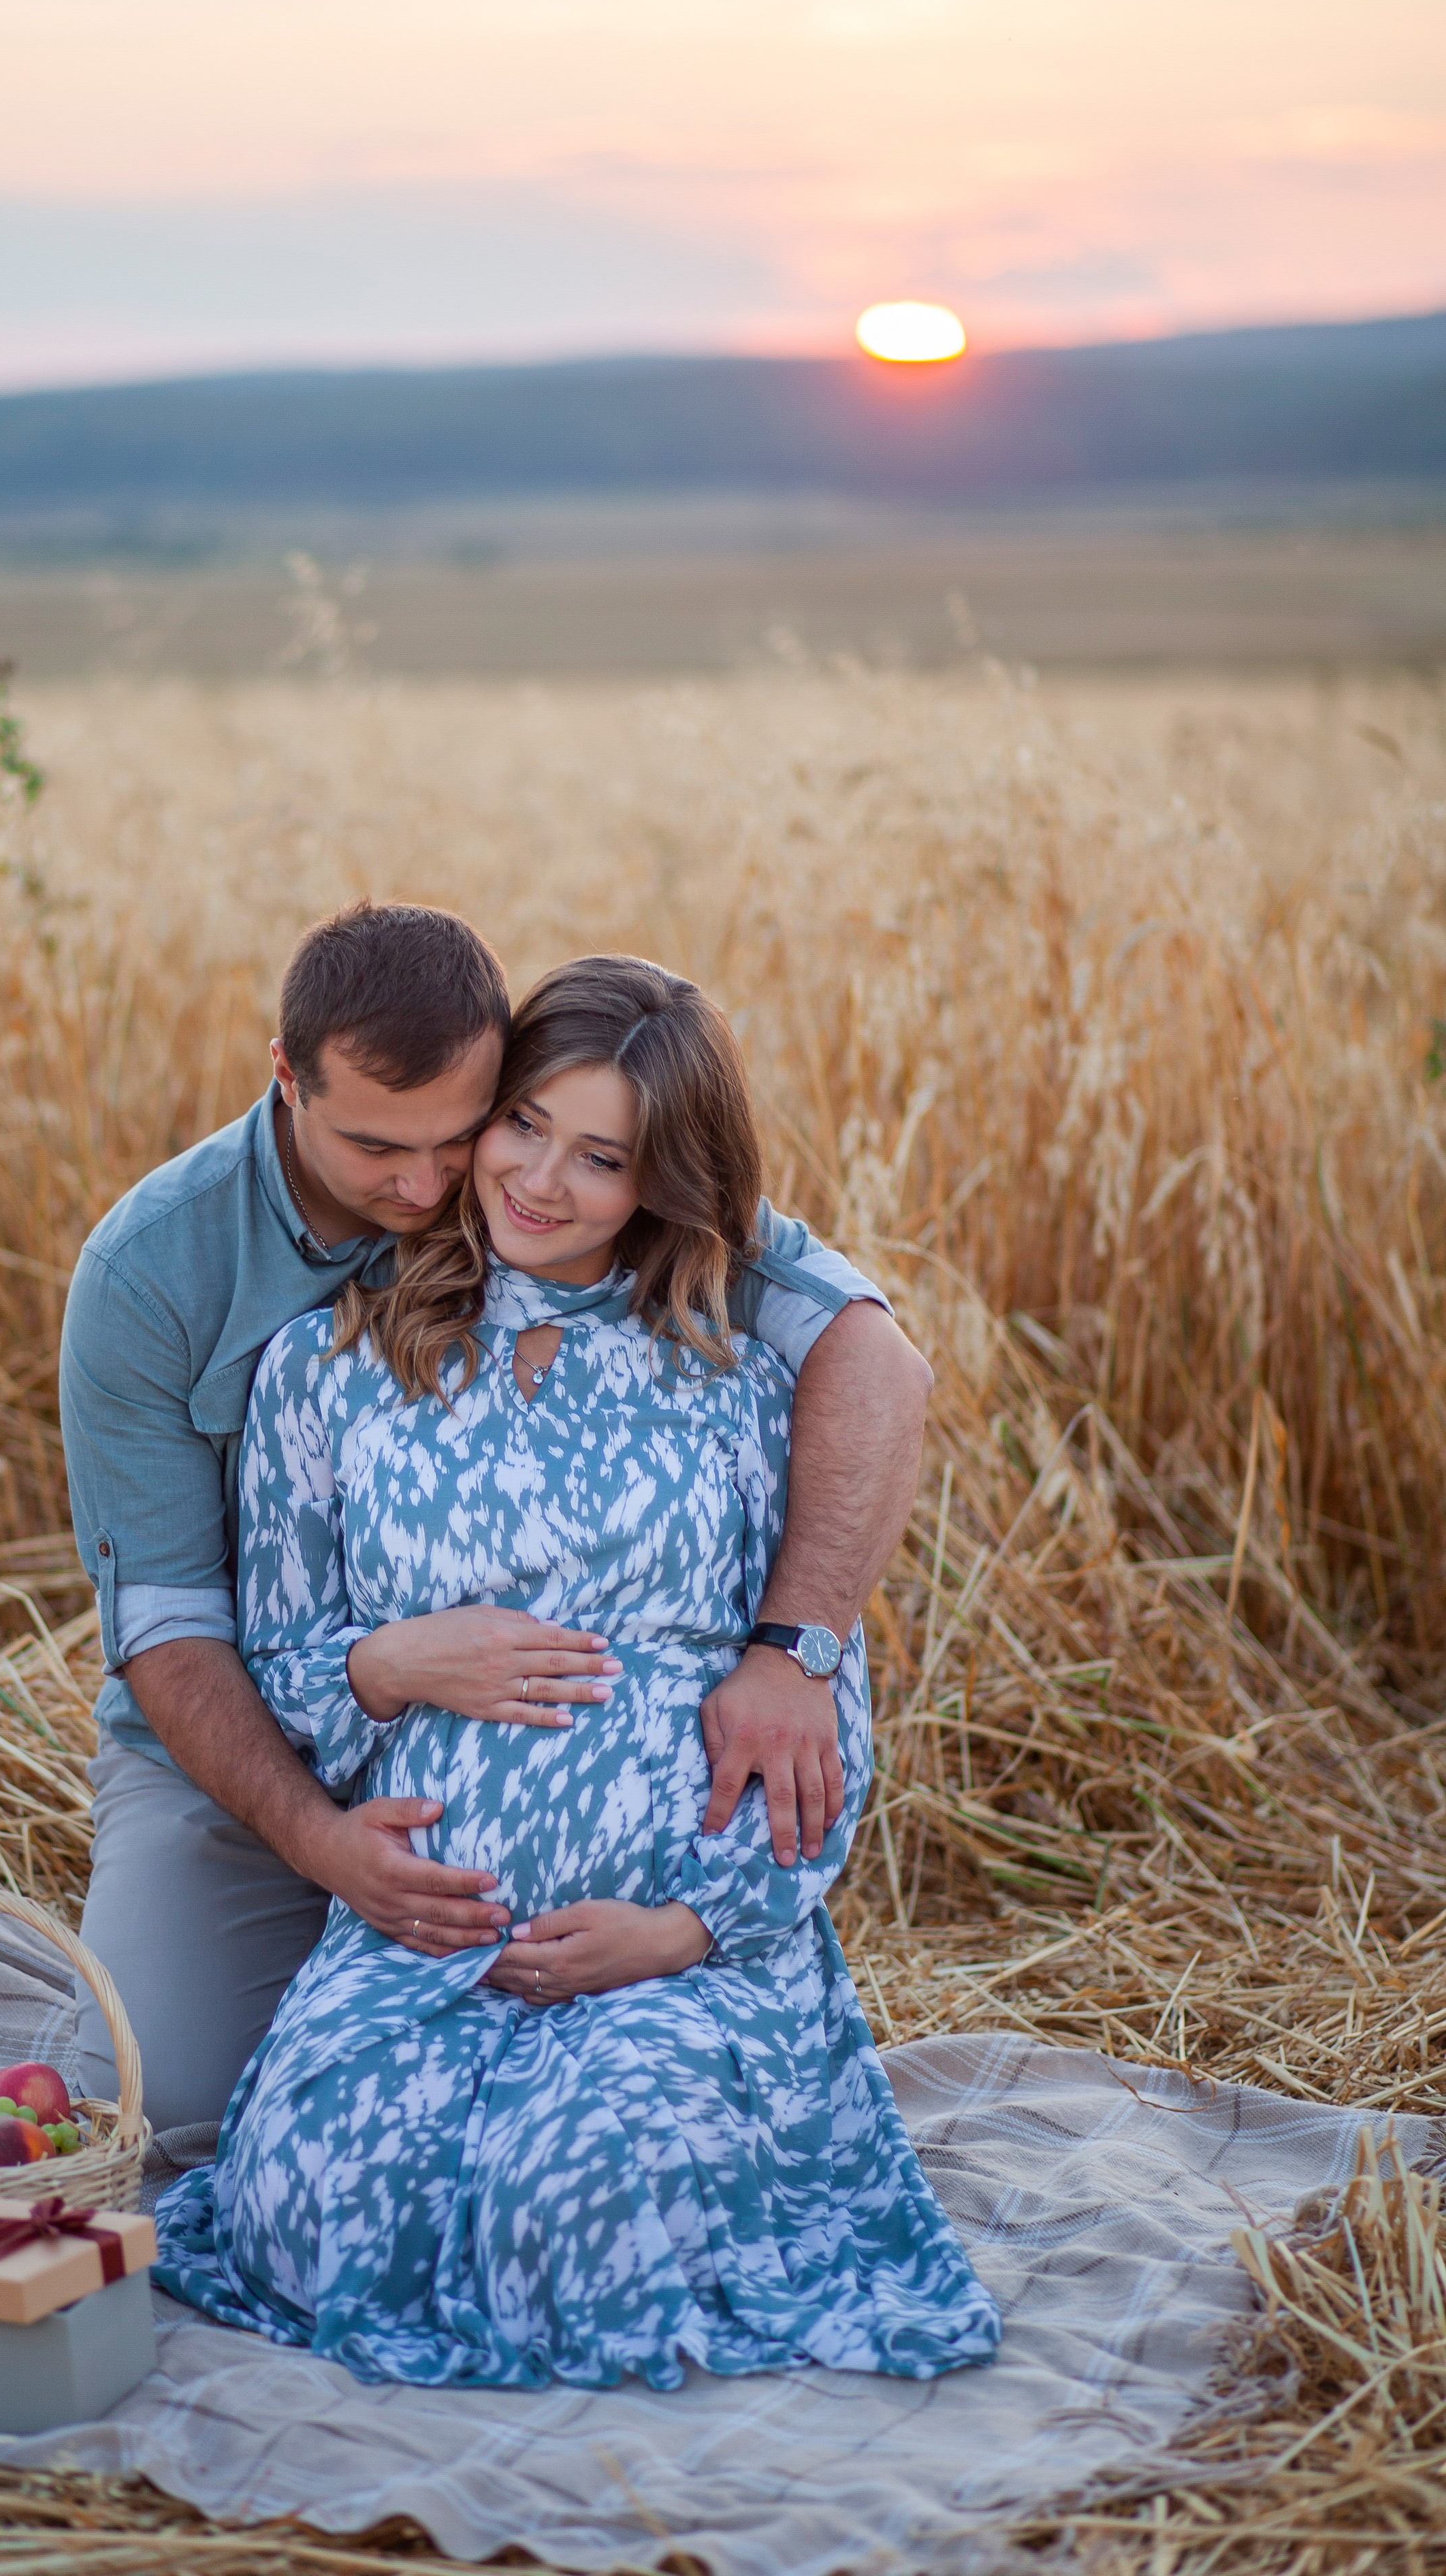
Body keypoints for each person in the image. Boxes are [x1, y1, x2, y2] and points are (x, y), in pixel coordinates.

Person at [150, 956, 999, 2387]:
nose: (539, 1179)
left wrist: (685, 1928)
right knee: (303, 2208)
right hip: (423, 1934)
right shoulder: (329, 1369)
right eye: (522, 1125)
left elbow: (813, 1714)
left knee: (576, 2215)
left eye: (598, 1157)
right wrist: (386, 1663)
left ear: (660, 1179)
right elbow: (284, 1674)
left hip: (668, 1943)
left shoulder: (735, 1376)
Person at [62, 903, 933, 2131]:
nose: (427, 1187)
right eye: (377, 1148)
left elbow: (877, 1364)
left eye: (462, 1133)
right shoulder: (158, 1275)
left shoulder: (638, 1254)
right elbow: (171, 1629)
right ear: (285, 1079)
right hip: (237, 1758)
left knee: (604, 2152)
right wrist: (324, 1837)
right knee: (169, 2112)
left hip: (630, 1884)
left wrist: (793, 1658)